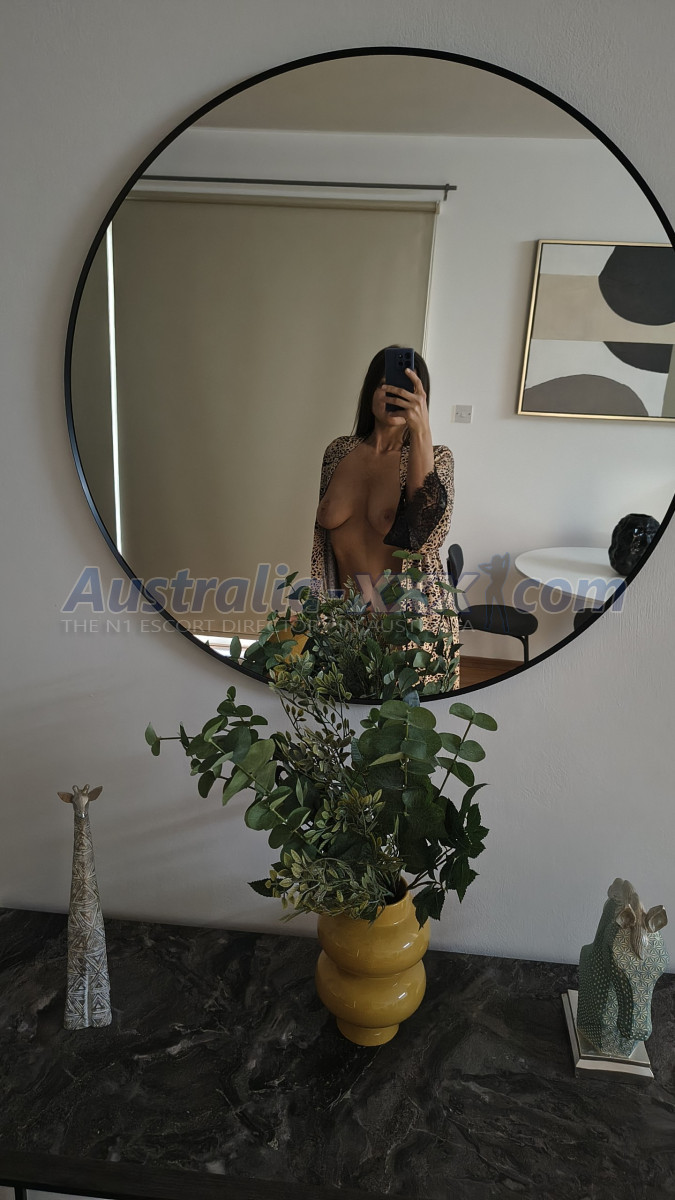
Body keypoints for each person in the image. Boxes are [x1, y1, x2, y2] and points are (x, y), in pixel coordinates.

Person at [311, 346, 459, 672]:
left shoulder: (438, 458)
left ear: (421, 397)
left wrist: (421, 430)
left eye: (406, 388)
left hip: (410, 634)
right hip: (343, 629)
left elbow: (426, 536)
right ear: (370, 392)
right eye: (384, 385)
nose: (394, 394)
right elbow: (325, 548)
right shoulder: (338, 452)